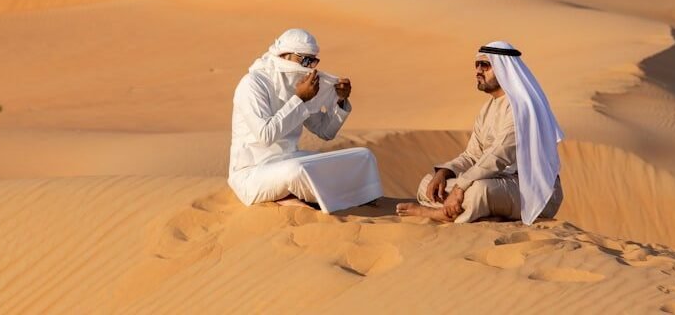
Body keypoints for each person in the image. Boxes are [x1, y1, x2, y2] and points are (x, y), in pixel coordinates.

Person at [396, 41, 564, 223]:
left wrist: (460, 187)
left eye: (485, 65)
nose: (478, 71)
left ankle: (438, 214)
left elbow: (499, 156)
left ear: (503, 69)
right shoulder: (487, 108)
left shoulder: (521, 107)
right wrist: (444, 173)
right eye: (476, 65)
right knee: (428, 184)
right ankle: (485, 214)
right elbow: (472, 155)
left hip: (532, 189)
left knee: (479, 191)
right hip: (497, 182)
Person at [228, 29, 383, 213]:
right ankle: (300, 197)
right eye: (305, 60)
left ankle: (305, 196)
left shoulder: (298, 85)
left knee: (363, 156)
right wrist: (300, 100)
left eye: (313, 61)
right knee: (296, 170)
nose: (310, 67)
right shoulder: (253, 84)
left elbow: (325, 131)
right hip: (253, 172)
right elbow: (265, 135)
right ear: (284, 55)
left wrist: (340, 102)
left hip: (290, 158)